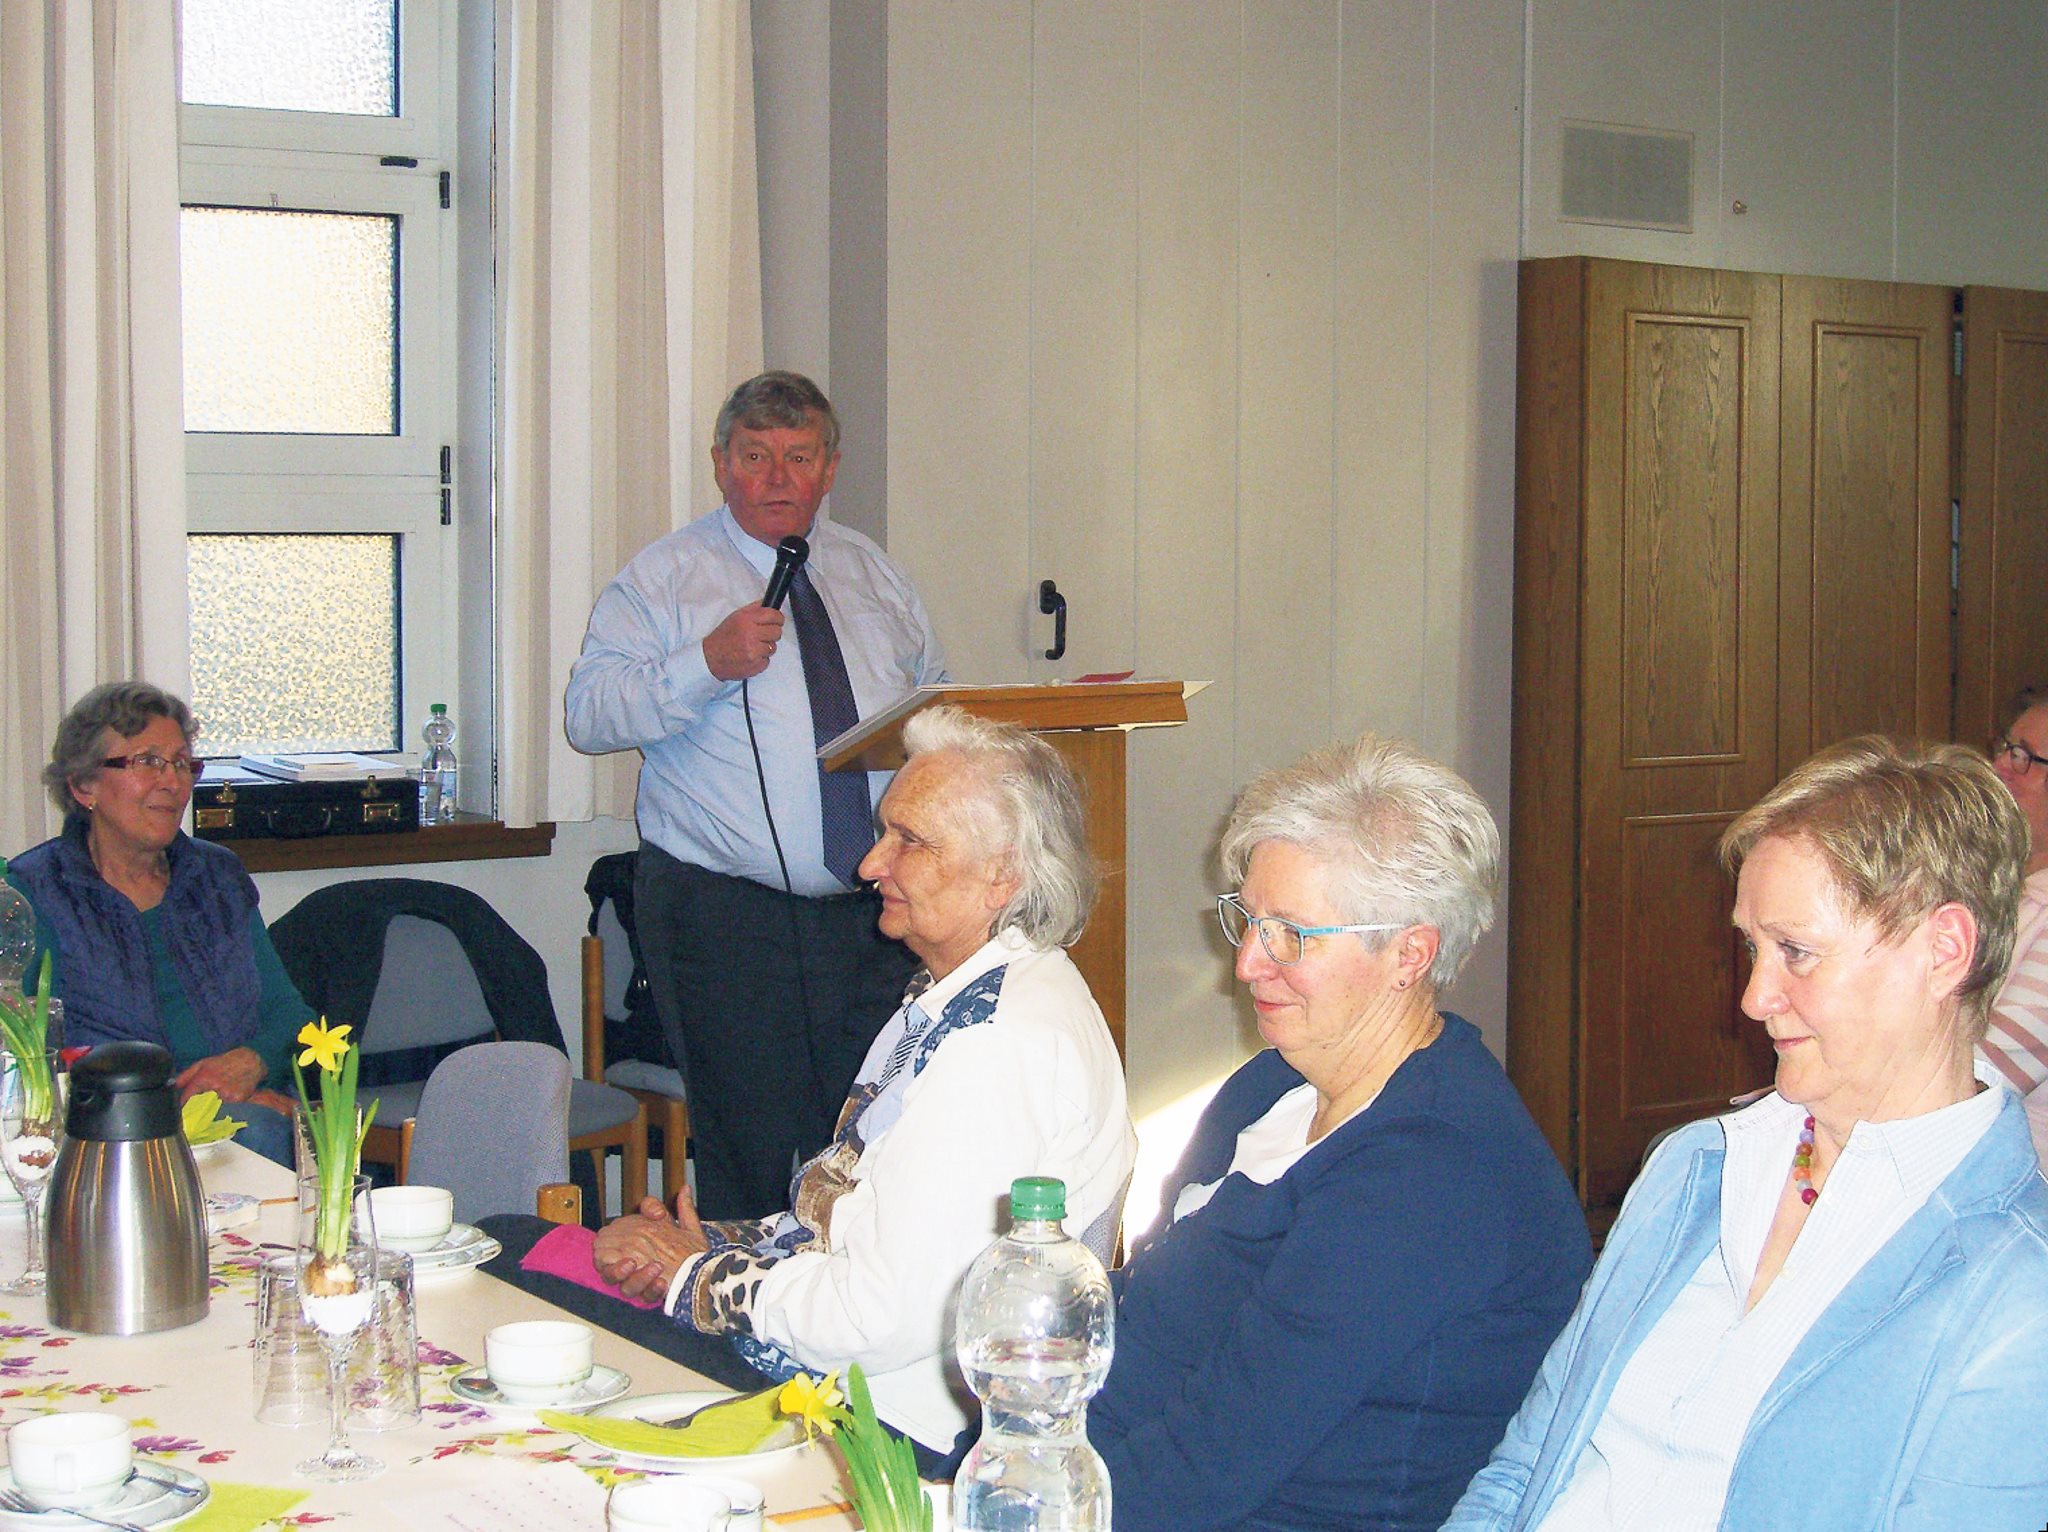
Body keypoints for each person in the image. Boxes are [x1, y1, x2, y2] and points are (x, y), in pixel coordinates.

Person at [1446, 736, 2048, 1531]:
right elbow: (1528, 1466)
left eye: (1797, 951)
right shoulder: (1697, 1165)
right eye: (1753, 948)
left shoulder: (2017, 1292)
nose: (1755, 998)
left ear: (1943, 952)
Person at [578, 707, 1133, 1455]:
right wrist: (710, 1240)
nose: (870, 866)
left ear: (1003, 874)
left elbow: (877, 1317)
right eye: (883, 834)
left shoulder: (996, 1046)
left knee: (545, 1297)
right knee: (547, 1267)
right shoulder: (965, 995)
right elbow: (853, 1223)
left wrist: (695, 1277)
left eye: (910, 840)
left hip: (887, 1425)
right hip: (843, 1369)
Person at [1088, 735, 1591, 1532]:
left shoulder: (1431, 1176)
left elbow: (1215, 1461)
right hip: (1098, 1469)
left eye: (1291, 934)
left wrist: (1016, 1504)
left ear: (1409, 954)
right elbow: (1144, 1301)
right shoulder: (1272, 1085)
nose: (1247, 963)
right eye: (1248, 920)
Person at [564, 370, 947, 1220]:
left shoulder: (873, 573)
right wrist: (703, 663)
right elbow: (588, 714)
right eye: (754, 456)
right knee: (751, 1148)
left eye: (798, 457)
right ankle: (740, 1301)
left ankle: (847, 1296)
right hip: (724, 917)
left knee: (875, 1141)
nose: (776, 478)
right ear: (720, 464)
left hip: (874, 910)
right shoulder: (665, 577)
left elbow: (932, 707)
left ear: (830, 468)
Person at [5, 682, 310, 1166]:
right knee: (258, 1133)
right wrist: (189, 1102)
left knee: (270, 1133)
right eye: (147, 761)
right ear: (83, 786)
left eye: (182, 763)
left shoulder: (217, 876)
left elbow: (287, 1011)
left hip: (248, 1116)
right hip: (107, 1135)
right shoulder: (34, 891)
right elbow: (35, 1057)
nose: (173, 782)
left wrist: (250, 1063)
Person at [1976, 683, 2048, 1163]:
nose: (2000, 766)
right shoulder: (1988, 878)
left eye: (2024, 757)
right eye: (2005, 747)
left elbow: (1983, 1079)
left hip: (2017, 1188)